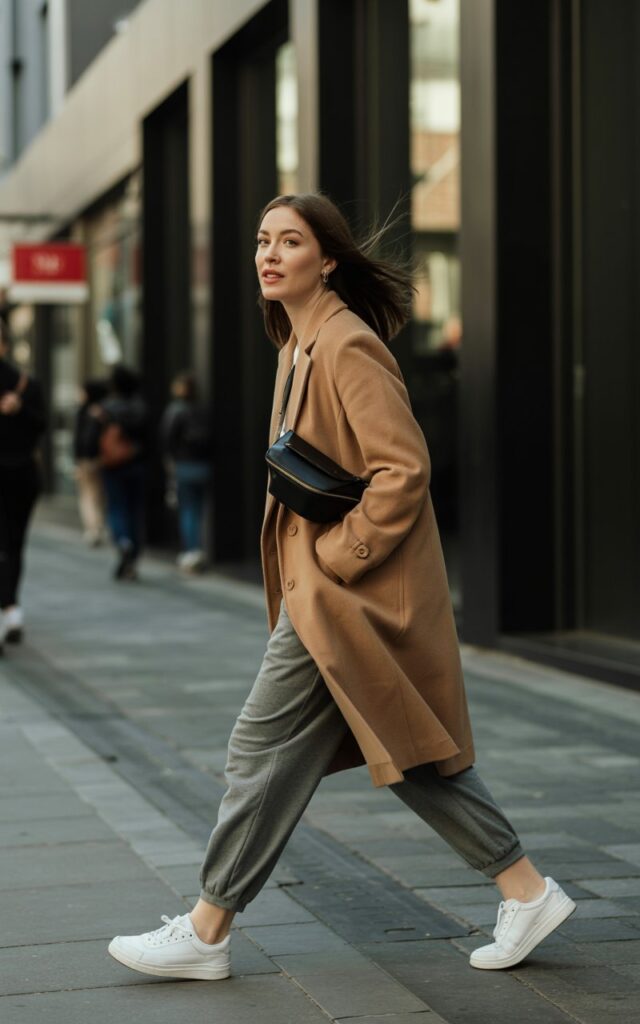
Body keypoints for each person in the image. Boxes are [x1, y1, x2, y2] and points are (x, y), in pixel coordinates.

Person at [108, 193, 575, 980]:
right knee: (408, 753)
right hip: (320, 594)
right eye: (262, 240)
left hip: (342, 597)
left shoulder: (346, 343)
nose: (269, 253)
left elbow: (404, 467)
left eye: (289, 241)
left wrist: (338, 559)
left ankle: (207, 929)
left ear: (326, 259)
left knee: (260, 747)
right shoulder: (298, 343)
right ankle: (525, 891)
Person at [0, 319, 46, 652]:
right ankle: (11, 609)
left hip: (15, 475)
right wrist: (22, 410)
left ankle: (9, 609)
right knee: (13, 543)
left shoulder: (28, 384)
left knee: (10, 542)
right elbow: (41, 425)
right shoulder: (27, 383)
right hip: (23, 474)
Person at [160, 371, 213, 572]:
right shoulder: (203, 410)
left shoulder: (175, 410)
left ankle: (192, 550)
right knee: (199, 509)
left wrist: (170, 462)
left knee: (188, 509)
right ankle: (199, 549)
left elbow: (166, 439)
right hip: (203, 465)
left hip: (184, 465)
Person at [100, 365, 148, 581]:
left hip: (113, 466)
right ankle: (132, 558)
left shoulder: (107, 408)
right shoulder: (140, 407)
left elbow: (93, 437)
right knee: (134, 510)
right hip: (137, 464)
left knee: (116, 507)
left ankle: (123, 541)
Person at [73, 379, 108, 546]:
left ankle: (92, 529)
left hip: (88, 459)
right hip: (101, 458)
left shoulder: (85, 411)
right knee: (98, 495)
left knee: (88, 495)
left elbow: (79, 440)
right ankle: (98, 527)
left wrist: (77, 461)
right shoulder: (103, 410)